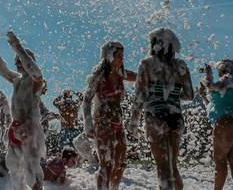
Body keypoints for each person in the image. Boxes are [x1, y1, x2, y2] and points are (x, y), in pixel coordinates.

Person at [129, 28, 194, 190]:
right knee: (173, 168)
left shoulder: (147, 64)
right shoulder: (181, 66)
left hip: (156, 117)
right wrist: (170, 93)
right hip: (176, 118)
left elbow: (139, 96)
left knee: (163, 169)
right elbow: (189, 95)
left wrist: (133, 122)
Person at [0, 30, 45, 190]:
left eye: (20, 61)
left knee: (32, 170)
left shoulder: (36, 81)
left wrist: (17, 46)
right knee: (14, 170)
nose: (17, 63)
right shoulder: (17, 80)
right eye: (16, 61)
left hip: (30, 130)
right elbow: (0, 69)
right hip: (15, 128)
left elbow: (34, 70)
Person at [83, 41, 136, 190]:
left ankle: (113, 188)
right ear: (109, 55)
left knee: (121, 163)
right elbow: (86, 100)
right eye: (118, 55)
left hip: (118, 122)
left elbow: (139, 77)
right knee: (106, 164)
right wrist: (88, 124)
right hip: (103, 121)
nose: (121, 59)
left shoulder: (121, 73)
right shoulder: (99, 77)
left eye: (122, 55)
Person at [199, 59, 233, 189]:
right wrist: (202, 95)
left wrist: (208, 73)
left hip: (223, 122)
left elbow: (211, 87)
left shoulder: (227, 79)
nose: (217, 72)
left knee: (220, 160)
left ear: (223, 70)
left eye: (218, 70)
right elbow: (214, 107)